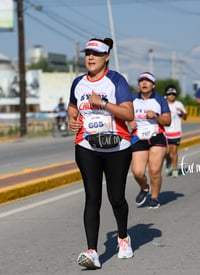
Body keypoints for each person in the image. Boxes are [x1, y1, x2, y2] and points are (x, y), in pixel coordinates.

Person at [67, 38, 134, 269]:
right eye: (87, 53)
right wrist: (72, 121)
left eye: (96, 53)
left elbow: (128, 113)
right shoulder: (78, 82)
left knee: (116, 198)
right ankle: (92, 252)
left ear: (106, 57)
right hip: (87, 146)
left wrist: (103, 103)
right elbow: (73, 107)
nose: (90, 57)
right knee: (92, 197)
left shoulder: (116, 81)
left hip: (117, 146)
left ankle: (124, 238)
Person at [130, 72, 171, 209]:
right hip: (138, 137)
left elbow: (168, 121)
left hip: (156, 137)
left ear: (153, 85)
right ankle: (144, 188)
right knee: (137, 172)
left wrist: (156, 116)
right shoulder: (132, 99)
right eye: (141, 81)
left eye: (147, 81)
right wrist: (129, 121)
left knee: (154, 170)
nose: (144, 83)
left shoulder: (159, 100)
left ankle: (154, 197)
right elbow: (122, 115)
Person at [164, 85, 187, 177]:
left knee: (174, 151)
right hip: (165, 132)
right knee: (166, 152)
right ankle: (168, 162)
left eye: (173, 94)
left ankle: (174, 169)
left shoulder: (179, 104)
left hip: (176, 132)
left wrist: (182, 113)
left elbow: (185, 117)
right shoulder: (163, 104)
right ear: (166, 95)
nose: (171, 96)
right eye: (169, 94)